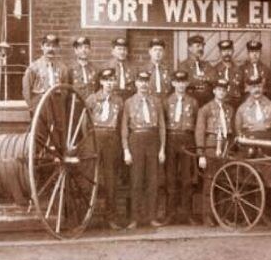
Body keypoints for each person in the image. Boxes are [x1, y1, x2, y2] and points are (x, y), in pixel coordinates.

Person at [121, 71, 166, 229]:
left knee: (153, 181)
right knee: (136, 180)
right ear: (136, 84)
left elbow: (162, 126)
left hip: (153, 140)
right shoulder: (128, 102)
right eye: (141, 81)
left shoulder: (156, 101)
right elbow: (124, 128)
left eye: (146, 81)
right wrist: (126, 149)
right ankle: (135, 218)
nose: (144, 84)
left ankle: (151, 217)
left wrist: (162, 149)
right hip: (136, 140)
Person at [85, 68, 124, 230]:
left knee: (111, 179)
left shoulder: (119, 101)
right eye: (106, 80)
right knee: (88, 176)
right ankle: (85, 216)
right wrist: (87, 140)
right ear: (101, 81)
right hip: (95, 138)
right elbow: (84, 122)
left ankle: (111, 216)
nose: (110, 83)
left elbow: (121, 122)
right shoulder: (92, 99)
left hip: (112, 139)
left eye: (112, 80)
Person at [195, 79, 234, 227]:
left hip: (225, 145)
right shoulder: (205, 109)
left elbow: (231, 131)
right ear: (214, 91)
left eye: (224, 90)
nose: (221, 93)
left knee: (225, 182)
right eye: (219, 90)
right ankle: (208, 216)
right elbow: (200, 132)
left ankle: (222, 215)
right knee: (210, 182)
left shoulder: (229, 109)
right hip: (211, 145)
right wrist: (201, 154)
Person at [162, 70, 199, 225]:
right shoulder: (166, 102)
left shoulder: (193, 102)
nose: (181, 85)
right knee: (170, 177)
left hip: (187, 138)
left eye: (184, 82)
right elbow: (162, 123)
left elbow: (197, 123)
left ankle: (187, 213)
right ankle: (170, 213)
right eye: (178, 82)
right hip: (171, 137)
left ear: (187, 83)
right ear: (173, 84)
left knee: (186, 177)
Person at [22, 34, 69, 115]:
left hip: (57, 104)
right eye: (47, 46)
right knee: (40, 127)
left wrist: (60, 102)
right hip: (40, 103)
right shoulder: (34, 67)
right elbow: (26, 89)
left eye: (54, 46)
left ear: (58, 48)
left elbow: (65, 90)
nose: (51, 49)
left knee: (59, 127)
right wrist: (32, 106)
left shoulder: (63, 68)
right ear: (42, 47)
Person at [235, 75, 271, 157]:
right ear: (248, 89)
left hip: (268, 143)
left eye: (259, 86)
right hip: (249, 144)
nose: (256, 90)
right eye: (253, 87)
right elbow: (238, 131)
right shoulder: (242, 109)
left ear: (263, 87)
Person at [177, 34, 215, 107]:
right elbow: (187, 81)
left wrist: (200, 78)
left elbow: (214, 78)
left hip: (207, 101)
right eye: (197, 46)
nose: (201, 49)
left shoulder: (207, 65)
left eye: (202, 46)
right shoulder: (183, 66)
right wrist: (205, 79)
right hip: (191, 100)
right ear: (190, 48)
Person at [213, 39, 243, 110]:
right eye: (224, 51)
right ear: (220, 53)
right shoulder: (214, 70)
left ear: (233, 51)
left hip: (236, 104)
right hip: (219, 104)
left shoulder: (239, 70)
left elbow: (242, 89)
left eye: (229, 50)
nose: (227, 53)